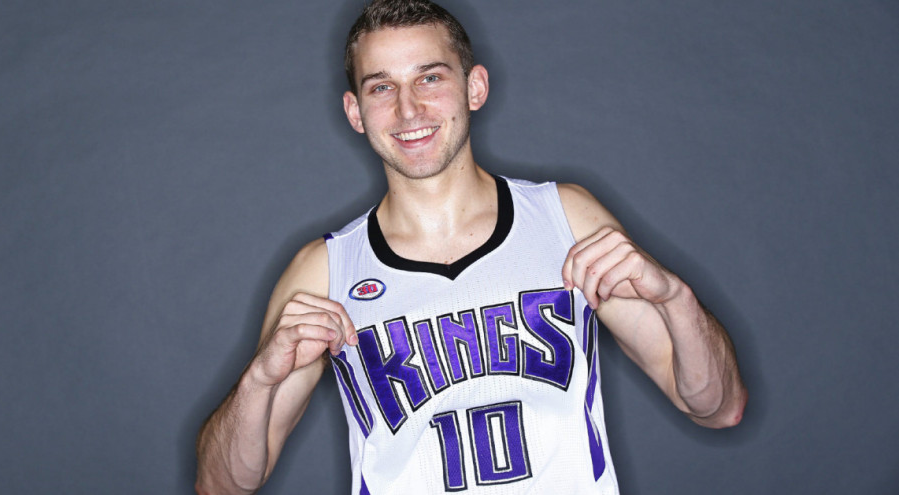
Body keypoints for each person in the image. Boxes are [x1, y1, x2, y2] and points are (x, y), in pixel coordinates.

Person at [195, 0, 748, 493]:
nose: (409, 109)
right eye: (381, 87)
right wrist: (259, 379)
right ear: (355, 112)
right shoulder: (325, 272)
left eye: (430, 78)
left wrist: (675, 298)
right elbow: (222, 486)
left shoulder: (566, 220)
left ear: (474, 87)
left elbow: (717, 407)